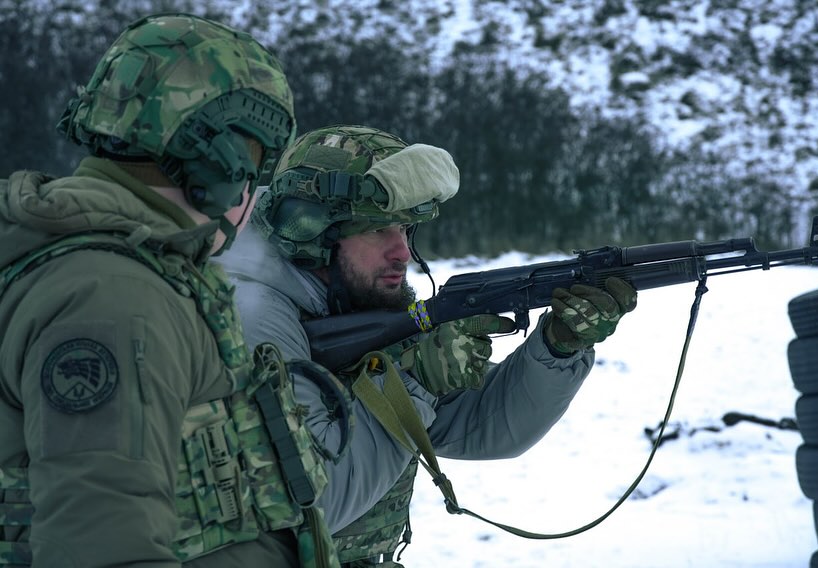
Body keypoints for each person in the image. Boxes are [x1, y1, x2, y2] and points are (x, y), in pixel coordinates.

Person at [0, 13, 343, 567]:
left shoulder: (128, 270)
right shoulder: (112, 298)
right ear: (221, 161)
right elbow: (104, 549)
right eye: (257, 162)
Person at [218, 124, 637, 566]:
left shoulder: (356, 303)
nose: (401, 251)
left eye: (403, 228)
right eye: (378, 231)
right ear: (311, 230)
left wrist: (557, 349)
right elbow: (307, 505)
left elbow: (490, 428)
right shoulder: (250, 317)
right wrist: (414, 380)